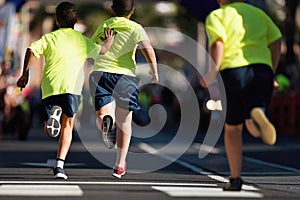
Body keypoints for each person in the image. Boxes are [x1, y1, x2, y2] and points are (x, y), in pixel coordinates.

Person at [17, 1, 114, 179]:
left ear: (57, 20)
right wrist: (108, 41)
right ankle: (59, 166)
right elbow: (104, 51)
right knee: (67, 126)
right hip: (72, 88)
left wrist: (25, 74)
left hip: (50, 87)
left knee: (48, 129)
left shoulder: (50, 38)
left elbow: (31, 50)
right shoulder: (82, 40)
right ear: (75, 21)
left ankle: (52, 117)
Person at [203, 0, 282, 191]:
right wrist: (272, 69)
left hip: (233, 72)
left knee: (233, 129)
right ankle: (257, 115)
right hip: (262, 70)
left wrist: (212, 73)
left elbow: (219, 44)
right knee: (253, 117)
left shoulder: (217, 16)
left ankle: (236, 179)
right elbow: (277, 40)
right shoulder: (259, 14)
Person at [89, 0, 158, 178]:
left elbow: (91, 48)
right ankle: (120, 164)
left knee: (102, 113)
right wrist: (154, 70)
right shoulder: (136, 27)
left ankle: (106, 120)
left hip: (101, 72)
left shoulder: (105, 25)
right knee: (125, 122)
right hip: (125, 76)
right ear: (132, 10)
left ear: (112, 9)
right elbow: (147, 48)